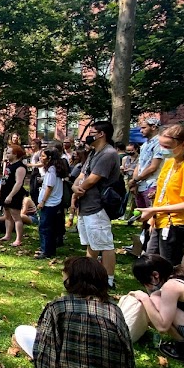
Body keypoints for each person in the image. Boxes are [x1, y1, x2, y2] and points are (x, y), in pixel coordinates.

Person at [12, 257, 140, 368]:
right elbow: (128, 352)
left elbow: (45, 348)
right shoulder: (114, 311)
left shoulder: (57, 307)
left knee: (22, 331)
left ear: (71, 279)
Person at [136, 123, 184, 271]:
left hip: (175, 225)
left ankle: (171, 292)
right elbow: (162, 192)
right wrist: (153, 216)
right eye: (161, 145)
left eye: (167, 146)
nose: (162, 150)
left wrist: (155, 210)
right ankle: (156, 293)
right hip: (159, 221)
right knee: (149, 265)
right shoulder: (170, 162)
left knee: (168, 268)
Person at [70, 121, 121, 288]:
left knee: (105, 244)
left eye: (92, 132)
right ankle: (90, 276)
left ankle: (108, 280)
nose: (88, 136)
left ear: (101, 134)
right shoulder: (93, 153)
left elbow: (93, 178)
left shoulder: (108, 153)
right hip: (85, 206)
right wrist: (74, 187)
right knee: (91, 244)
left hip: (98, 206)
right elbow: (83, 174)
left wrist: (79, 189)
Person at [129, 117, 164, 224]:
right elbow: (139, 165)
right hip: (141, 185)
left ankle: (152, 239)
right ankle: (145, 239)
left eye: (144, 128)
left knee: (153, 219)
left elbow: (153, 167)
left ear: (153, 127)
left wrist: (135, 180)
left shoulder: (160, 143)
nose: (141, 130)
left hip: (152, 184)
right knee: (142, 217)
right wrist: (134, 182)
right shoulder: (144, 145)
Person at [35, 147, 65, 259]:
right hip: (53, 202)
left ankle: (46, 251)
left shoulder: (52, 169)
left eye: (43, 156)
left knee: (44, 227)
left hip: (49, 203)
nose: (41, 158)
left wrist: (42, 201)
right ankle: (49, 249)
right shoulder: (54, 169)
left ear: (50, 157)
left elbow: (49, 187)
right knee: (49, 227)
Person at [0, 142, 27, 246]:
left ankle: (18, 239)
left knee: (16, 217)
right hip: (4, 193)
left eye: (9, 153)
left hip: (14, 195)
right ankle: (7, 235)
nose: (7, 154)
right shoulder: (9, 165)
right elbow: (3, 179)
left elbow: (19, 183)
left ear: (15, 154)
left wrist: (10, 195)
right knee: (7, 216)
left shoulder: (20, 167)